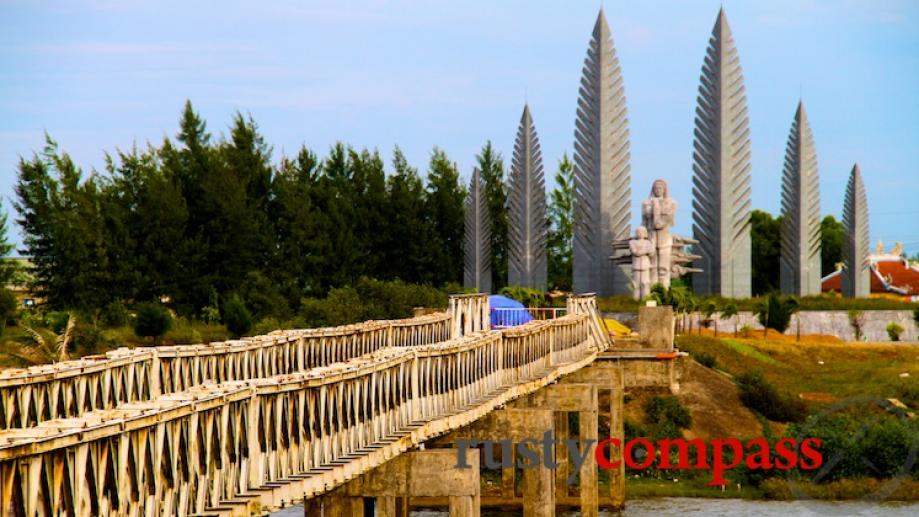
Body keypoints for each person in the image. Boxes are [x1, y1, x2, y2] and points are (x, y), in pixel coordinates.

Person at [641, 179, 677, 288]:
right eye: (655, 188)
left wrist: (659, 207)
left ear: (664, 189)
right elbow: (645, 219)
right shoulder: (647, 203)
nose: (658, 190)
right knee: (652, 267)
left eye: (660, 188)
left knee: (664, 267)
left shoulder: (671, 202)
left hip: (664, 239)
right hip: (651, 238)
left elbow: (669, 219)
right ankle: (653, 292)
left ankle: (664, 291)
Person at [629, 226, 655, 300]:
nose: (640, 233)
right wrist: (646, 250)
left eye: (642, 232)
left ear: (645, 233)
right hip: (636, 266)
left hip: (645, 266)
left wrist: (651, 245)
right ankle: (635, 302)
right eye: (638, 232)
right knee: (636, 285)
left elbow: (651, 253)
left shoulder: (648, 242)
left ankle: (645, 301)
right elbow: (635, 252)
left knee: (645, 284)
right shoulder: (632, 242)